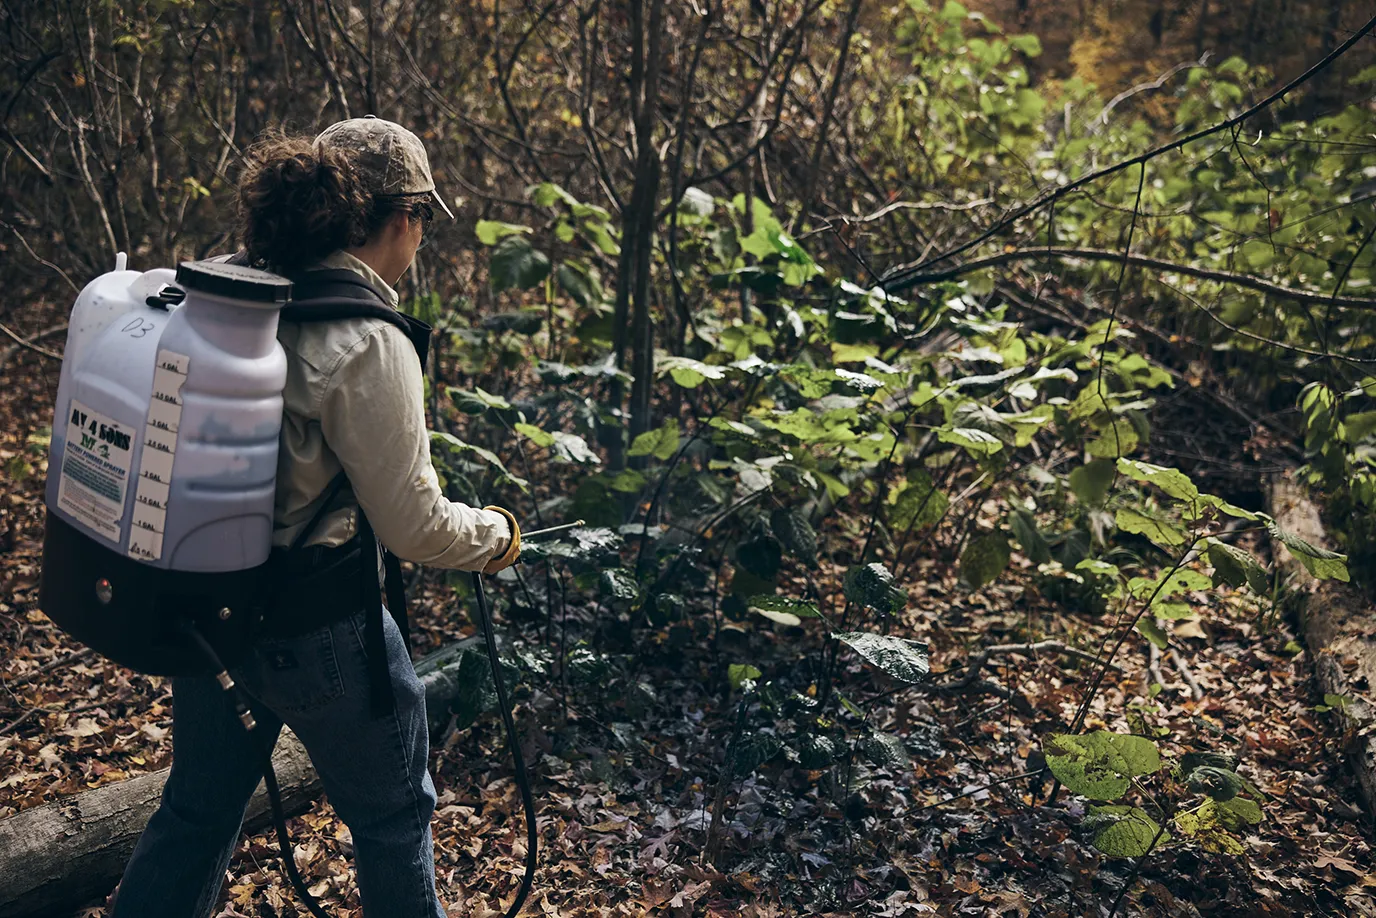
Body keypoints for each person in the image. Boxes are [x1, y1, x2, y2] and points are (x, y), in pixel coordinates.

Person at [109, 116, 520, 918]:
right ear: (401, 217)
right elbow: (413, 527)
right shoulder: (366, 337)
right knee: (394, 818)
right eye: (425, 220)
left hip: (208, 606)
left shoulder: (226, 289)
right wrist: (498, 537)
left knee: (195, 813)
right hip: (321, 627)